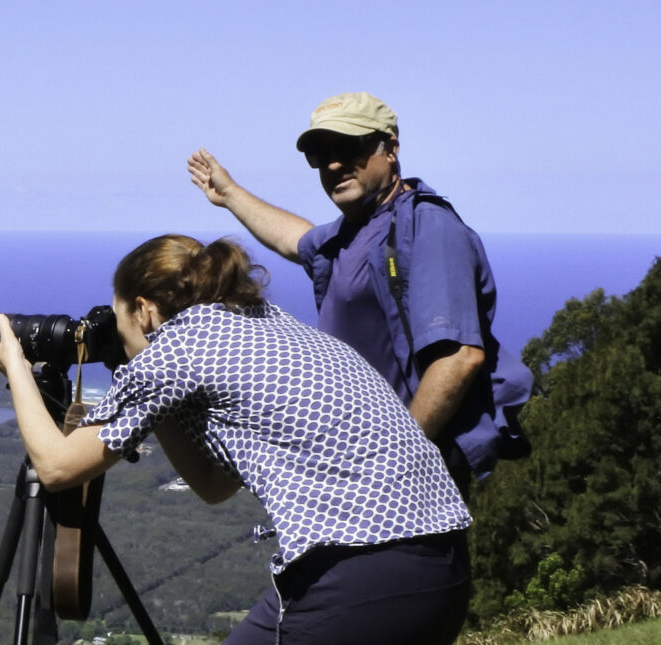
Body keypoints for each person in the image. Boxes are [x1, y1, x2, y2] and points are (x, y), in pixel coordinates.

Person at [0, 235, 471, 644]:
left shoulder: (179, 347)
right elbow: (214, 486)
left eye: (122, 324)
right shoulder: (270, 323)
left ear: (146, 311)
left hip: (352, 577)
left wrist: (16, 363)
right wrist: (154, 402)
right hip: (443, 572)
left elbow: (55, 466)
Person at [186, 92, 528, 493]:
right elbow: (295, 239)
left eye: (348, 147)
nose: (333, 164)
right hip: (357, 471)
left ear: (391, 148)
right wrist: (229, 194)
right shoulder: (351, 233)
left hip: (405, 479)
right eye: (320, 153)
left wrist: (395, 464)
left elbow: (459, 358)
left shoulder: (428, 227)